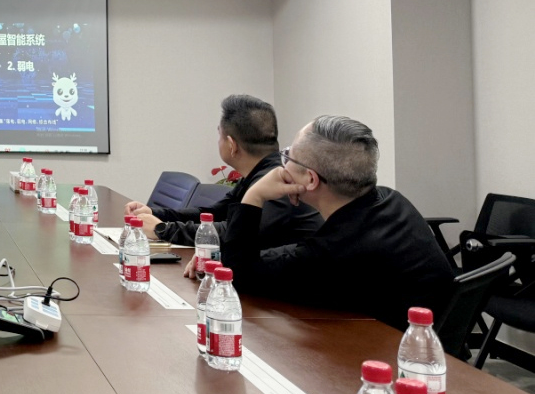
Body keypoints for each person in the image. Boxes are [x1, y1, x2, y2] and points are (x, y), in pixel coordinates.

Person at [221, 115, 454, 329]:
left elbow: (238, 275)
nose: (283, 164)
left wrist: (254, 195)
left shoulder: (336, 252)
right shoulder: (390, 200)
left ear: (310, 179)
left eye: (288, 155)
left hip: (388, 353)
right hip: (421, 339)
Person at [124, 95, 322, 264]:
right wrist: (156, 214)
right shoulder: (260, 172)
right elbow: (213, 214)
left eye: (219, 135)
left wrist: (162, 229)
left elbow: (230, 233)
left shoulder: (279, 183)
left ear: (231, 145)